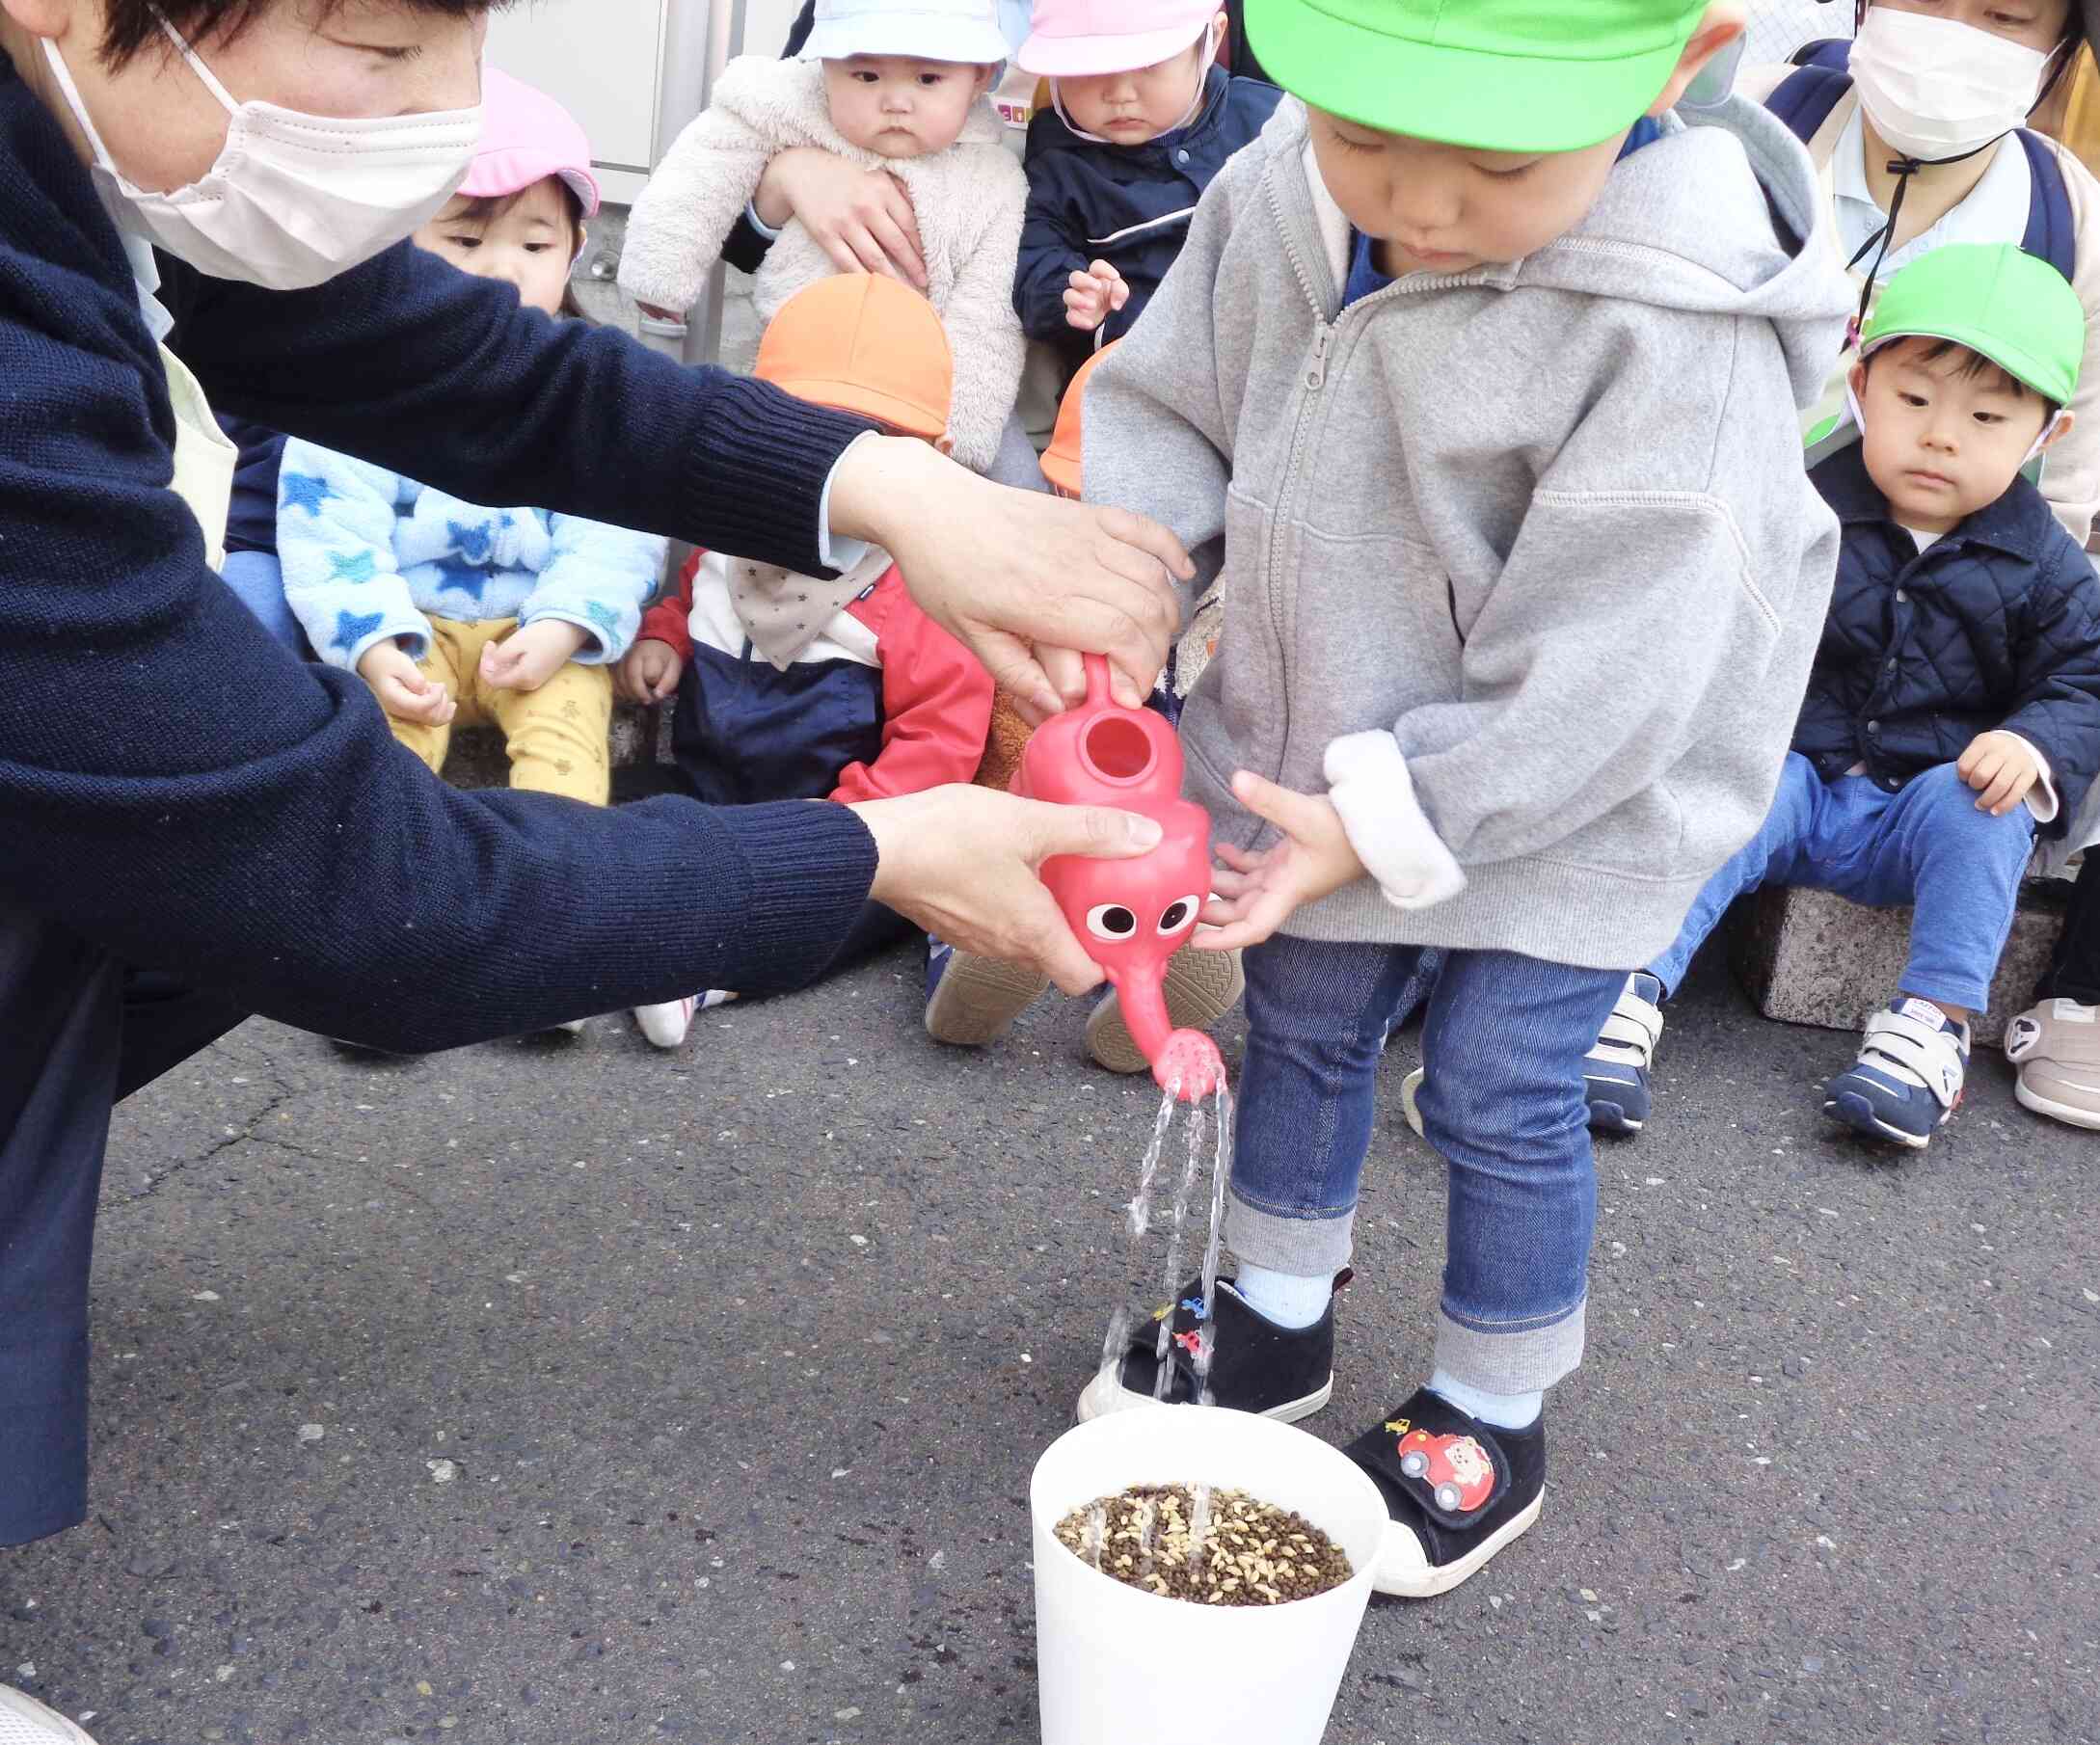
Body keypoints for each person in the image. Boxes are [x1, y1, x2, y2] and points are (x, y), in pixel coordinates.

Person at [0, 0, 1191, 1614]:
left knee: (177, 877)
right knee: (214, 870)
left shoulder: (77, 119)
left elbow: (450, 364)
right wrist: (875, 851)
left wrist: (895, 488)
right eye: (376, 55)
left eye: (465, 35)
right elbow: (377, 900)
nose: (444, 114)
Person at [1078, 0, 1850, 1598]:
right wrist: (1132, 578)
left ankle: (1491, 1413)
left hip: (1579, 794)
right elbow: (1169, 401)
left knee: (1498, 1088)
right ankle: (1276, 1315)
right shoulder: (1278, 191)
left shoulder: (1673, 320)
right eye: (1363, 134)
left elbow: (1616, 663)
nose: (1416, 208)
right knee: (1297, 1018)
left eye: (1495, 161)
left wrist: (1386, 813)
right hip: (1322, 747)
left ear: (1674, 60)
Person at [1602, 246, 2100, 1149]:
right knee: (1718, 791)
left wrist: (2031, 742)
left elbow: (2082, 680)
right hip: (1789, 774)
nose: (1942, 436)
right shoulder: (1796, 507)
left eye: (1987, 416)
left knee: (1985, 807)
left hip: (1921, 803)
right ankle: (1625, 987)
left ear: (2043, 437)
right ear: (1862, 386)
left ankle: (1930, 1026)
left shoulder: (2051, 570)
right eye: (1914, 401)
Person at [275, 69, 695, 1044]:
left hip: (536, 632)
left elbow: (619, 522)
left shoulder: (588, 385)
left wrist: (561, 627)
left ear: (575, 252)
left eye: (534, 243)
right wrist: (374, 642)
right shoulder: (360, 387)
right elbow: (329, 526)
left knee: (565, 737)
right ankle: (380, 953)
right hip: (410, 627)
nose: (498, 270)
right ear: (398, 244)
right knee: (382, 752)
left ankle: (550, 943)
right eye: (462, 239)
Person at [615, 274, 995, 1047]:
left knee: (867, 898)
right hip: (709, 787)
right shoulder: (730, 537)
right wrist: (664, 638)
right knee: (611, 805)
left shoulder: (923, 592)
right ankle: (577, 941)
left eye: (867, 446)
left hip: (837, 821)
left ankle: (706, 978)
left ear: (933, 459)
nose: (828, 476)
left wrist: (845, 823)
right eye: (803, 434)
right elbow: (690, 595)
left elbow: (940, 742)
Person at [925, 340, 1246, 1073]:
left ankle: (1137, 987)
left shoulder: (1216, 630)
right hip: (1041, 832)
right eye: (1071, 504)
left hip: (1143, 872)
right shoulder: (1025, 614)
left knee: (1166, 899)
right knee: (983, 882)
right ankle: (987, 961)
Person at [1737, 0, 2100, 549]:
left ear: (2060, 51)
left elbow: (2054, 517)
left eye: (2002, 17)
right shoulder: (1734, 121)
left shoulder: (2073, 231)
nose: (1946, 33)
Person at [617, 0, 1027, 471]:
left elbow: (988, 316)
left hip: (914, 397)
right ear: (824, 65)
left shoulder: (994, 179)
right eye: (867, 76)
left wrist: (959, 433)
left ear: (980, 77)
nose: (896, 101)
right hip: (796, 373)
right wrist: (660, 273)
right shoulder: (794, 109)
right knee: (758, 489)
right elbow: (707, 162)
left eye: (928, 79)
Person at [1010, 0, 1281, 383]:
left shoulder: (1267, 121)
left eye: (1149, 64)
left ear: (1211, 39)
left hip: (1261, 364)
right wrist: (1070, 290)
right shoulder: (1058, 155)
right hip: (1131, 375)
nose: (1119, 93)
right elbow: (1034, 254)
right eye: (1091, 67)